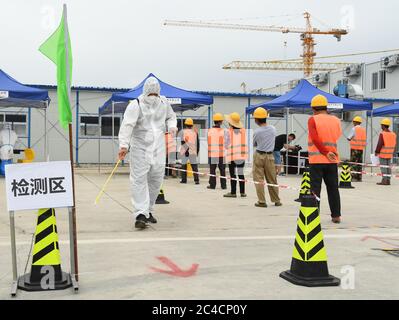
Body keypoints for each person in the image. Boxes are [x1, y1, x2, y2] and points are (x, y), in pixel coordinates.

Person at [118, 77, 177, 229]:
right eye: (150, 95)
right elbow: (127, 125)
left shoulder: (164, 103)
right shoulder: (135, 104)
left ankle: (149, 210)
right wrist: (124, 145)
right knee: (138, 180)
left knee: (156, 180)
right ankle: (140, 214)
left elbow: (171, 116)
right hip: (140, 148)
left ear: (158, 93)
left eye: (154, 95)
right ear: (145, 92)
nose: (153, 97)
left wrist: (172, 126)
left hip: (158, 147)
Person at [308, 94, 342, 224]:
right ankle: (336, 215)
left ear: (314, 108)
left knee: (315, 189)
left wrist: (324, 152)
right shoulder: (336, 120)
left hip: (317, 160)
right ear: (326, 107)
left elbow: (315, 138)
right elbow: (337, 136)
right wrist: (329, 152)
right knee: (333, 188)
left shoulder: (313, 119)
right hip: (332, 160)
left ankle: (314, 215)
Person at [252, 107, 282, 208]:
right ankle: (276, 200)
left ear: (256, 119)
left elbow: (254, 144)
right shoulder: (273, 129)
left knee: (259, 179)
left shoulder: (257, 132)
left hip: (259, 155)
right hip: (270, 156)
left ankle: (261, 201)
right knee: (272, 179)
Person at [224, 112, 248, 198]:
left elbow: (226, 145)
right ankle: (242, 192)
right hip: (241, 156)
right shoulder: (243, 131)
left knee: (233, 174)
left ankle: (233, 192)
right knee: (241, 174)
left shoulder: (228, 132)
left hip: (232, 157)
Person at [207, 113, 227, 190]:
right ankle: (223, 185)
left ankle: (212, 185)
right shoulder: (224, 131)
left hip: (212, 154)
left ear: (214, 121)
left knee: (212, 170)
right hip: (222, 154)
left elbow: (208, 142)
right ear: (221, 122)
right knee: (222, 170)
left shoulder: (209, 131)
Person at [375, 118, 397, 186]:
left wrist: (376, 151)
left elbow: (380, 144)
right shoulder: (393, 134)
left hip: (383, 153)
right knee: (388, 167)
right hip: (390, 153)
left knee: (383, 167)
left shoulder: (383, 134)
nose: (381, 126)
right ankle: (388, 180)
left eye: (381, 125)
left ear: (383, 126)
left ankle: (384, 181)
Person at [180, 118, 200, 184]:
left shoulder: (183, 132)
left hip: (185, 152)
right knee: (194, 166)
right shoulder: (195, 133)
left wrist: (186, 151)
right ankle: (196, 180)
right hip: (193, 152)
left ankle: (184, 180)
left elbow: (183, 142)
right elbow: (198, 143)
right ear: (192, 125)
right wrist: (197, 152)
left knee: (184, 166)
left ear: (185, 124)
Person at [347, 116, 367, 182]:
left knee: (353, 163)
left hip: (354, 148)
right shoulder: (363, 130)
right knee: (359, 163)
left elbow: (349, 138)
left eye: (353, 122)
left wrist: (349, 138)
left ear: (355, 122)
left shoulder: (354, 129)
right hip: (361, 149)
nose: (353, 123)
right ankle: (359, 177)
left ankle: (354, 177)